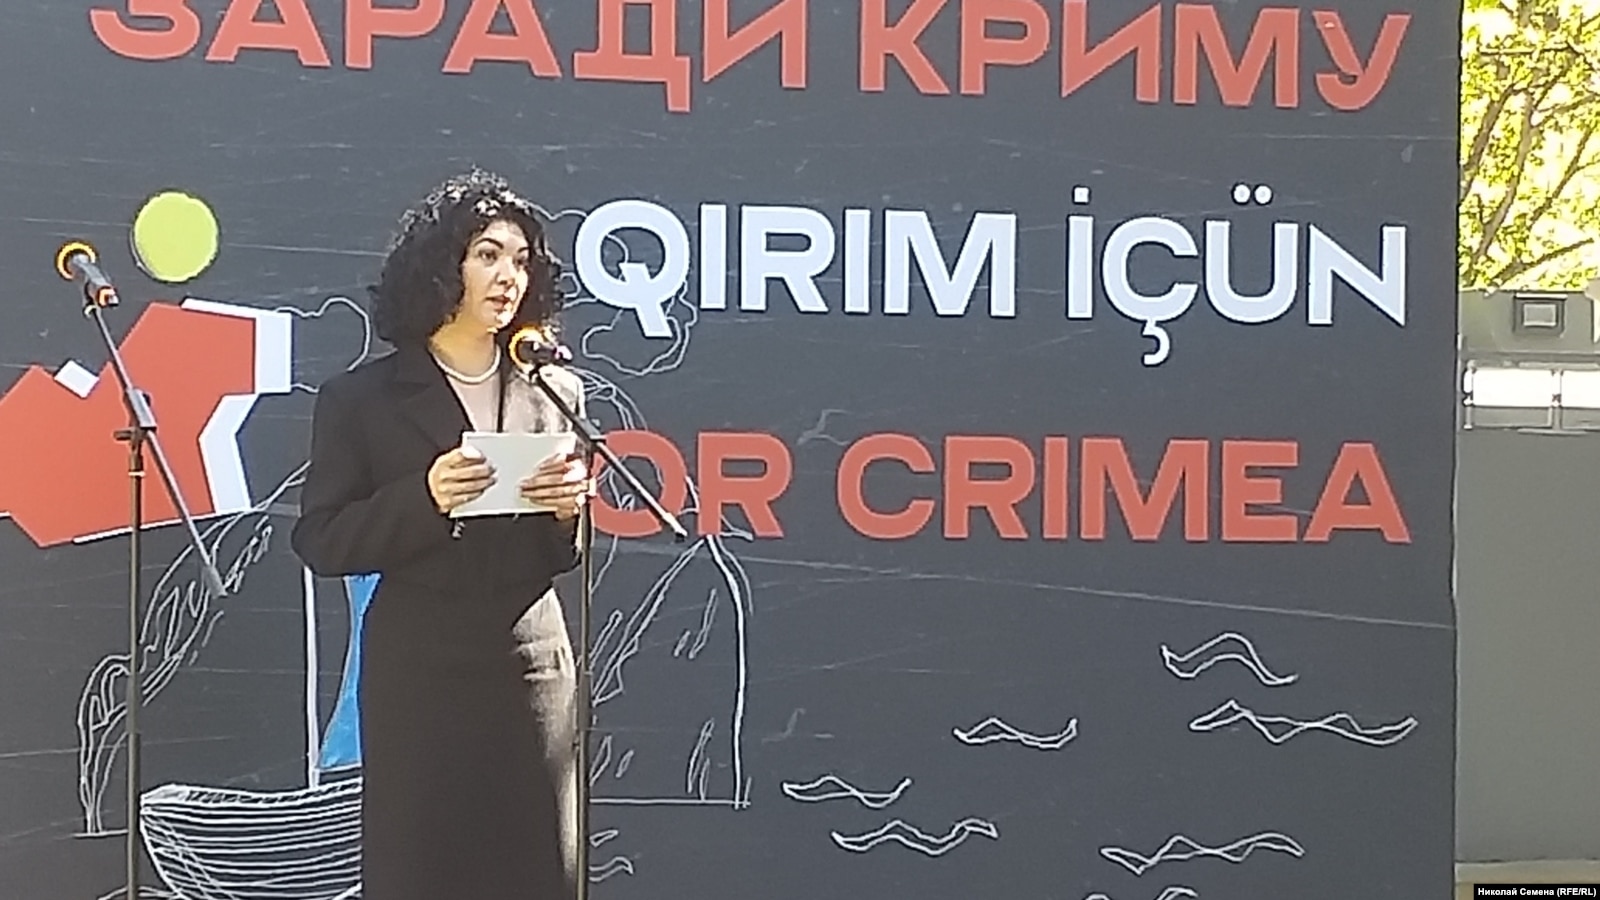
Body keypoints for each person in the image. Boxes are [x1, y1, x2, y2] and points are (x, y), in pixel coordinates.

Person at [290, 169, 590, 899]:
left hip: (530, 663)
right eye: (487, 255)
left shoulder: (555, 389)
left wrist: (566, 511)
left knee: (536, 867)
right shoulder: (361, 398)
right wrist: (424, 498)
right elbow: (322, 540)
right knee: (421, 868)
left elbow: (563, 552)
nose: (508, 276)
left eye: (521, 260)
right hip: (420, 668)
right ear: (438, 267)